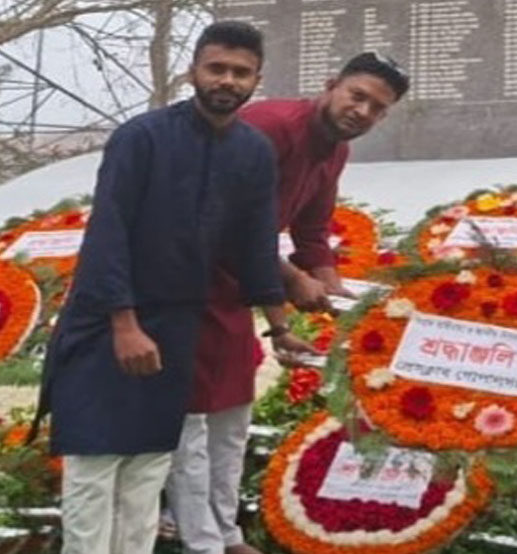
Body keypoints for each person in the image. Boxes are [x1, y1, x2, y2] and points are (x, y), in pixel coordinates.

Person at [32, 21, 284, 554]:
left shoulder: (254, 152)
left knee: (148, 467)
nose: (227, 80)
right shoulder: (141, 137)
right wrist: (124, 323)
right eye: (217, 68)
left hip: (176, 326)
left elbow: (255, 244)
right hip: (106, 320)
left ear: (256, 81)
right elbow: (108, 231)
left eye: (240, 72)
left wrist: (280, 327)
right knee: (96, 463)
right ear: (193, 72)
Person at [164, 52, 410, 554]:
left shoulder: (334, 149)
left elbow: (312, 234)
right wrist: (293, 282)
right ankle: (199, 540)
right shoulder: (269, 127)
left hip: (236, 289)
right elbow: (224, 222)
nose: (362, 111)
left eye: (377, 108)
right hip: (184, 287)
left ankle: (226, 534)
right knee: (190, 421)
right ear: (330, 84)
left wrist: (337, 295)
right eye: (357, 96)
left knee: (232, 416)